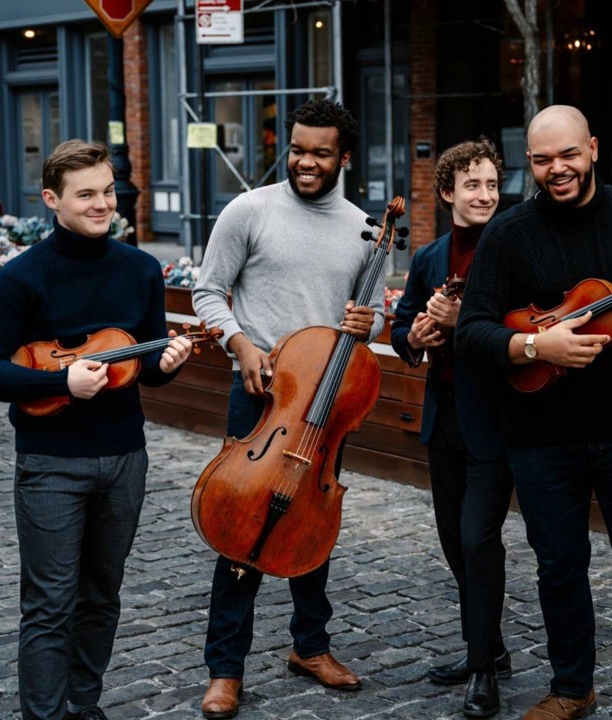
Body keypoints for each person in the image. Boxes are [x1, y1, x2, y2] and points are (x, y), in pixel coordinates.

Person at [456, 105, 612, 720]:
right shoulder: (508, 233)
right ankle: (572, 688)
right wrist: (538, 345)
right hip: (541, 438)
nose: (556, 169)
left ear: (592, 148)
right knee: (559, 568)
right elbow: (472, 334)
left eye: (567, 155)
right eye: (542, 160)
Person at [0, 140, 192, 720]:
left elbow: (144, 372)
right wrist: (60, 384)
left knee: (101, 597)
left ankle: (84, 704)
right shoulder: (22, 277)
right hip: (51, 461)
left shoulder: (142, 269)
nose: (103, 204)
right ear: (52, 199)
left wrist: (166, 367)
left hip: (126, 456)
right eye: (87, 195)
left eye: (107, 191)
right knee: (50, 604)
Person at [192, 99, 385, 719]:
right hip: (259, 397)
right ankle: (226, 668)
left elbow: (368, 321)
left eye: (319, 152)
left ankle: (311, 646)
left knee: (311, 525)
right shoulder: (249, 210)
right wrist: (240, 343)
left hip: (325, 405)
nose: (304, 161)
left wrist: (366, 321)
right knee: (241, 529)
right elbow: (206, 290)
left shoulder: (363, 228)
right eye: (298, 148)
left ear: (344, 158)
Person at [390, 138, 513, 718]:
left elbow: (518, 326)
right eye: (472, 185)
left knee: (476, 540)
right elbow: (402, 329)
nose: (485, 194)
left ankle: (482, 669)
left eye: (491, 184)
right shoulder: (431, 256)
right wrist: (413, 338)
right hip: (445, 420)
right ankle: (488, 645)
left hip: (498, 420)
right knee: (453, 543)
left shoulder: (514, 247)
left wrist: (463, 321)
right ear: (447, 193)